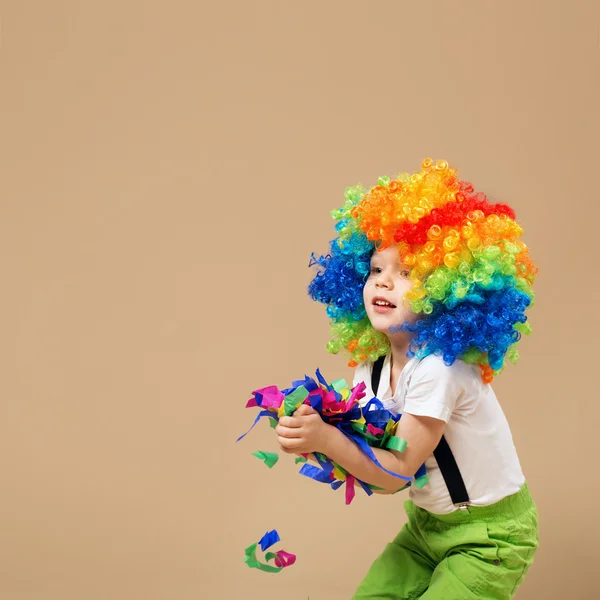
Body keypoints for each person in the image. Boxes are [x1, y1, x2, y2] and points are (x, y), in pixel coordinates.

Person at [275, 159, 539, 599]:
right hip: (426, 528)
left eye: (408, 274)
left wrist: (325, 439)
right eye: (376, 270)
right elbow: (370, 456)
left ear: (448, 291)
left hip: (489, 539)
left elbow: (396, 474)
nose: (385, 283)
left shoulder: (440, 368)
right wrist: (311, 426)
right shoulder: (372, 368)